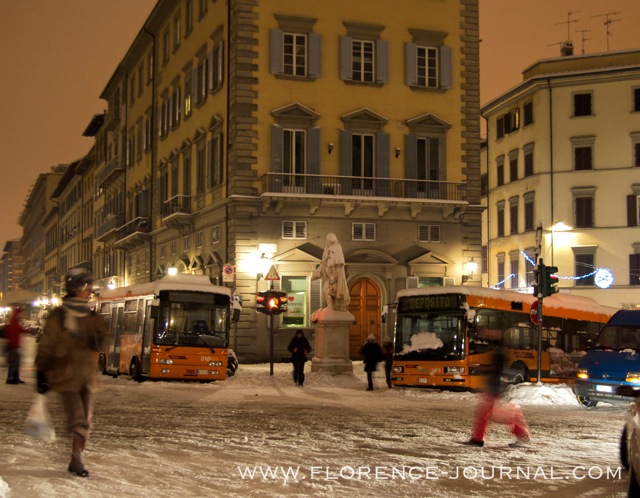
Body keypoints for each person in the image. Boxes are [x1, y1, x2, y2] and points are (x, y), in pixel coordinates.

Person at [35, 268, 109, 477]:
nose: (88, 291)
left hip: (86, 375)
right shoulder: (58, 316)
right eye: (85, 287)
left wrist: (99, 339)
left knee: (86, 420)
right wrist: (40, 371)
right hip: (64, 375)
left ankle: (74, 458)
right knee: (78, 419)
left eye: (89, 288)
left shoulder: (91, 314)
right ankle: (77, 461)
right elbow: (47, 344)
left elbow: (103, 339)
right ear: (74, 289)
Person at [464, 333, 530, 447]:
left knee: (504, 415)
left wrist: (479, 367)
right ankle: (478, 438)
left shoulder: (499, 354)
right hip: (497, 386)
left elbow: (495, 369)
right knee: (491, 414)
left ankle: (522, 436)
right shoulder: (501, 353)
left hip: (496, 387)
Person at [312, 233, 350, 311]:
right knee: (325, 292)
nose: (329, 254)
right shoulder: (327, 248)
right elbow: (323, 265)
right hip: (329, 277)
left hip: (334, 278)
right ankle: (330, 307)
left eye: (332, 252)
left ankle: (332, 307)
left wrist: (332, 279)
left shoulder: (337, 248)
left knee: (328, 292)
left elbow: (337, 263)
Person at [5, 306, 28, 384]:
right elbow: (13, 334)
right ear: (17, 314)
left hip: (15, 346)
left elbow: (21, 330)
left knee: (17, 363)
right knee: (14, 363)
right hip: (13, 346)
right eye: (21, 313)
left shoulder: (16, 322)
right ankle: (10, 378)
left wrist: (27, 330)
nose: (22, 315)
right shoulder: (13, 322)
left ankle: (15, 377)